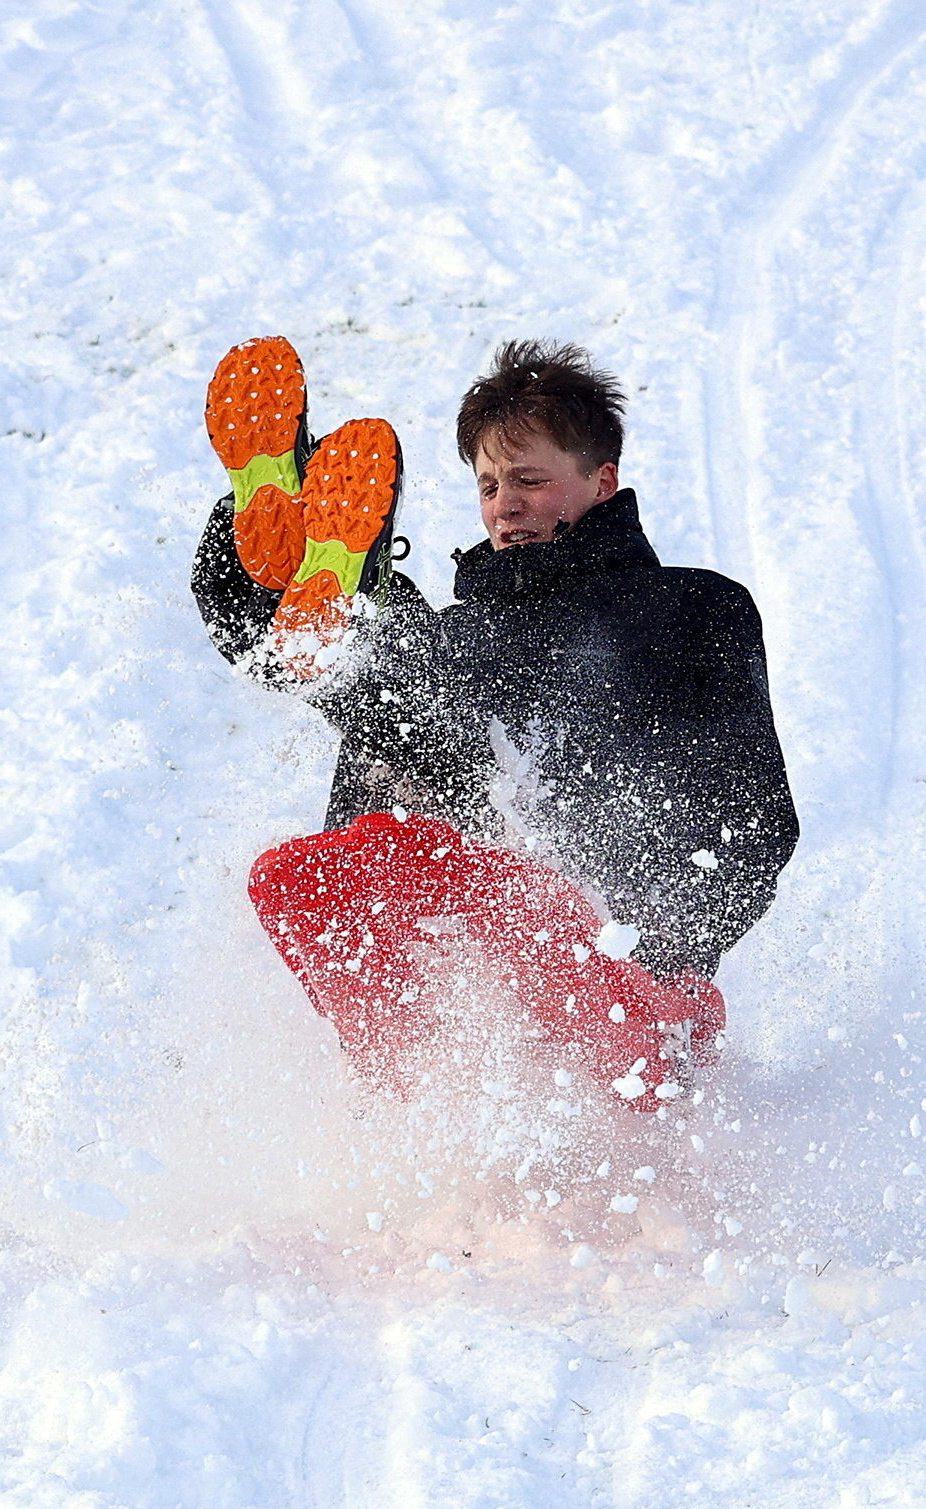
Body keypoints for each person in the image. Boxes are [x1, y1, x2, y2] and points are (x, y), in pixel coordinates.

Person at [193, 337, 800, 1102]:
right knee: (398, 722)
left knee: (418, 697)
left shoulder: (691, 609)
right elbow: (363, 826)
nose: (503, 503)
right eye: (486, 486)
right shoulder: (459, 641)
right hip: (472, 962)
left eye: (529, 480)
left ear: (602, 481)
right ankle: (297, 579)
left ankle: (344, 611)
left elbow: (755, 815)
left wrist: (667, 952)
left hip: (635, 987)